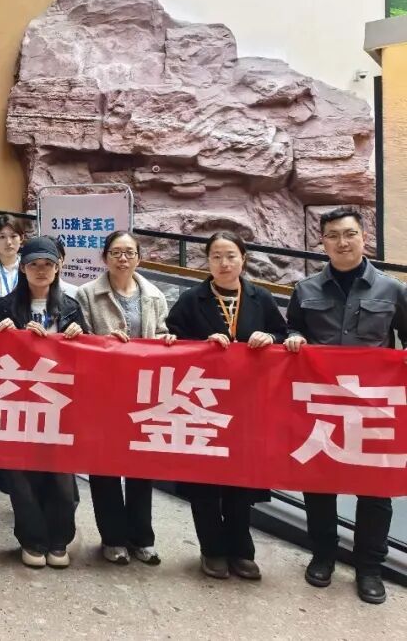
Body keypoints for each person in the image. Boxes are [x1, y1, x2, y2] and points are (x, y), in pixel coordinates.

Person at [285, 207, 407, 606]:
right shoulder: (305, 289)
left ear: (363, 237)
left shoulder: (392, 290)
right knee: (319, 484)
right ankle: (323, 555)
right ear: (322, 242)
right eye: (333, 235)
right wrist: (293, 338)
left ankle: (369, 567)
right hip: (322, 404)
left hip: (373, 407)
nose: (342, 242)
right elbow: (292, 329)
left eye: (350, 234)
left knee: (375, 490)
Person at [166, 231, 287, 582]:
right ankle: (212, 550)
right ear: (207, 261)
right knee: (204, 482)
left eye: (231, 255)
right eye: (216, 256)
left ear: (243, 259)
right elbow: (171, 337)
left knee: (240, 479)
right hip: (203, 404)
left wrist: (271, 338)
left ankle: (241, 551)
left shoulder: (261, 298)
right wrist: (200, 344)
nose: (224, 263)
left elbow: (285, 334)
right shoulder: (192, 299)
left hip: (247, 407)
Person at [75, 231, 176, 566]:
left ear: (139, 258)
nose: (123, 258)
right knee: (104, 466)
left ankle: (142, 539)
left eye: (129, 252)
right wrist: (104, 341)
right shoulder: (87, 294)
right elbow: (80, 339)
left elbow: (162, 332)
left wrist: (165, 340)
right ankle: (113, 538)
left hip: (143, 394)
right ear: (104, 257)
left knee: (140, 467)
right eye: (116, 252)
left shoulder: (154, 295)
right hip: (102, 393)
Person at [0, 236, 86, 569]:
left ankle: (59, 540)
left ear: (58, 267)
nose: (41, 270)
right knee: (22, 474)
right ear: (22, 268)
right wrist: (3, 332)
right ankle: (31, 540)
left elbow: (87, 356)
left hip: (60, 401)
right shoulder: (6, 305)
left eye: (48, 264)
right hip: (20, 399)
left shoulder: (71, 306)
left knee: (61, 474)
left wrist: (77, 337)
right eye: (34, 265)